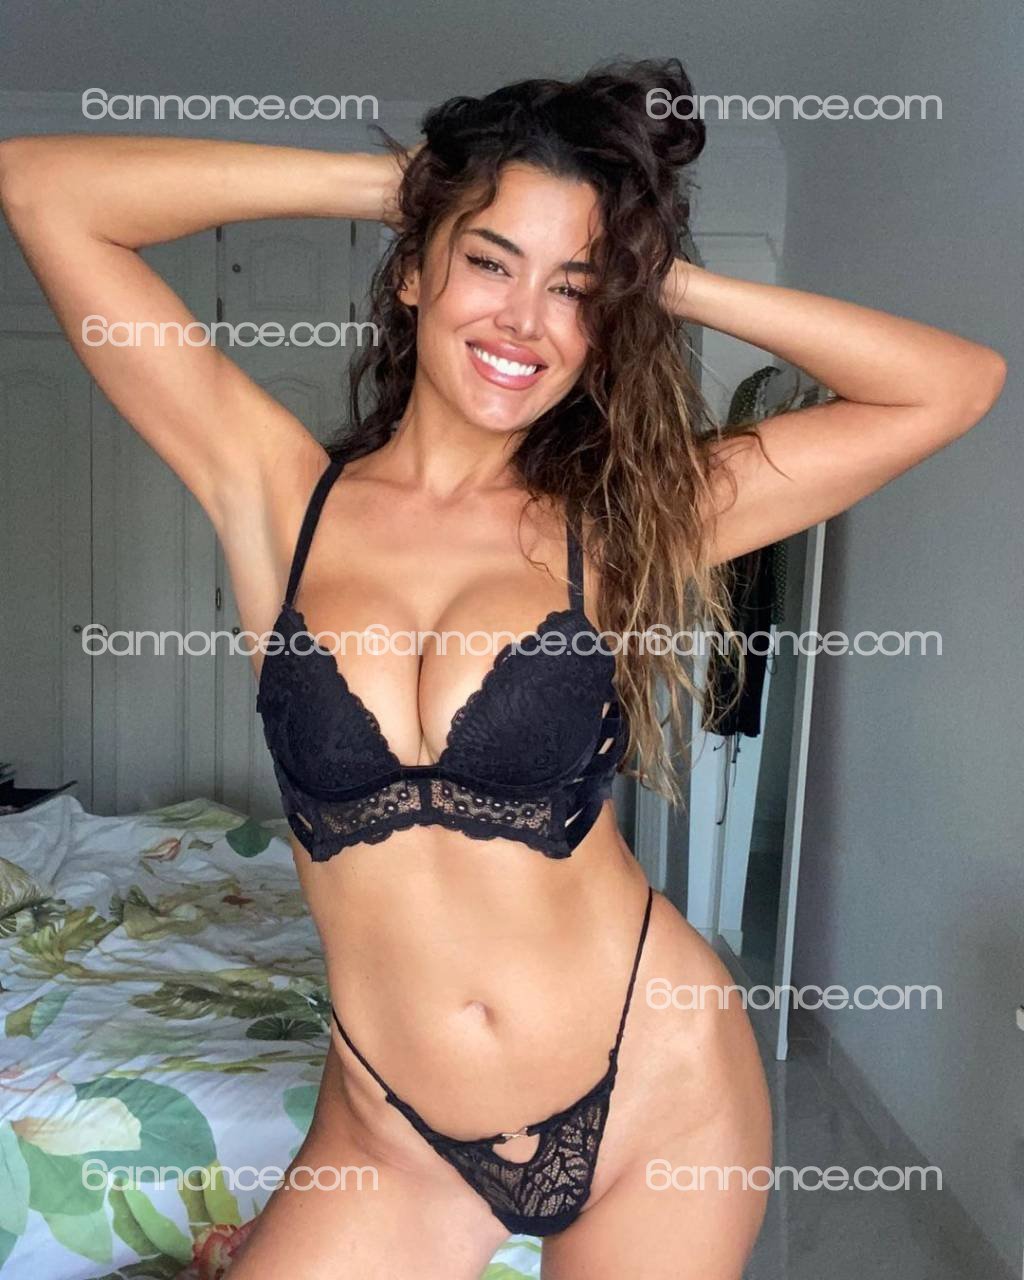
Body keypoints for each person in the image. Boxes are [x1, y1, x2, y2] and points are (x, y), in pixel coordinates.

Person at [0, 58, 1005, 1280]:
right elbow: (42, 187)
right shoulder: (277, 495)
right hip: (392, 1136)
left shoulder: (629, 520)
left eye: (574, 288)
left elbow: (953, 384)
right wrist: (407, 188)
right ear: (413, 270)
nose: (525, 321)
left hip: (654, 1090)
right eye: (489, 261)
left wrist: (655, 273)